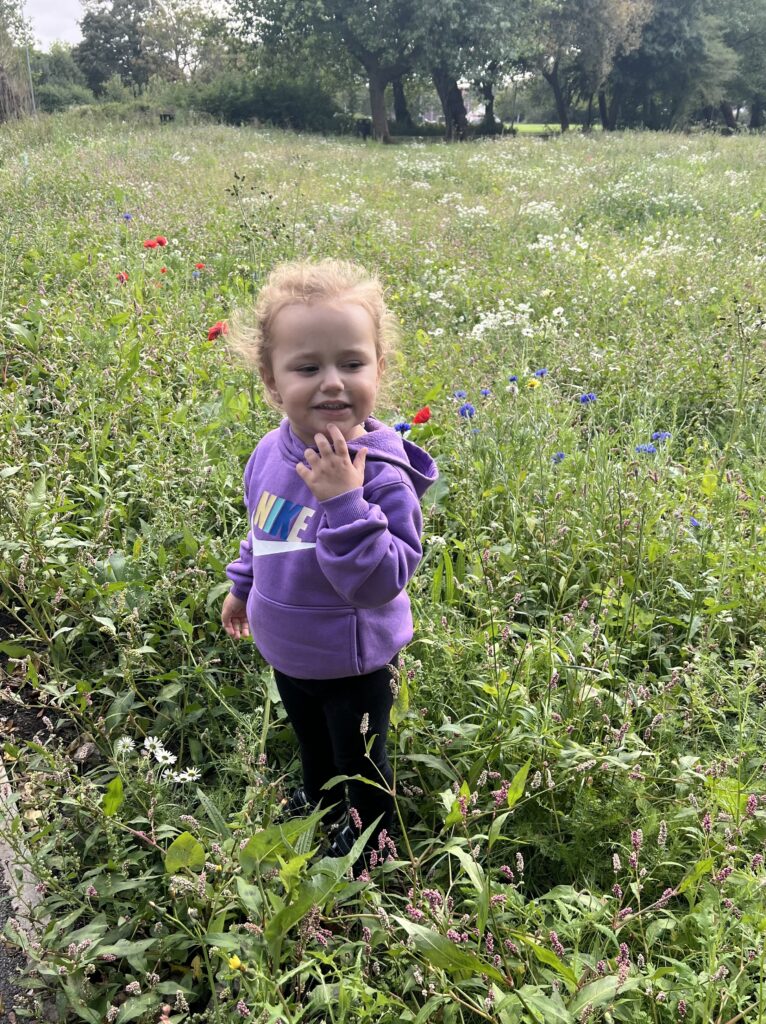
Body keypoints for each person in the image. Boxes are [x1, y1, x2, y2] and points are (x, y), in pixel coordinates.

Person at [220, 258, 438, 878]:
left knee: (363, 761)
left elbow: (380, 581)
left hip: (355, 660)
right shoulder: (270, 451)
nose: (333, 383)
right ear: (271, 378)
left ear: (379, 368)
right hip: (288, 649)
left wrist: (344, 500)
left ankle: (373, 849)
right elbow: (266, 529)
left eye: (351, 362)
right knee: (312, 743)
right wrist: (244, 584)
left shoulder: (382, 476)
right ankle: (319, 801)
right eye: (308, 367)